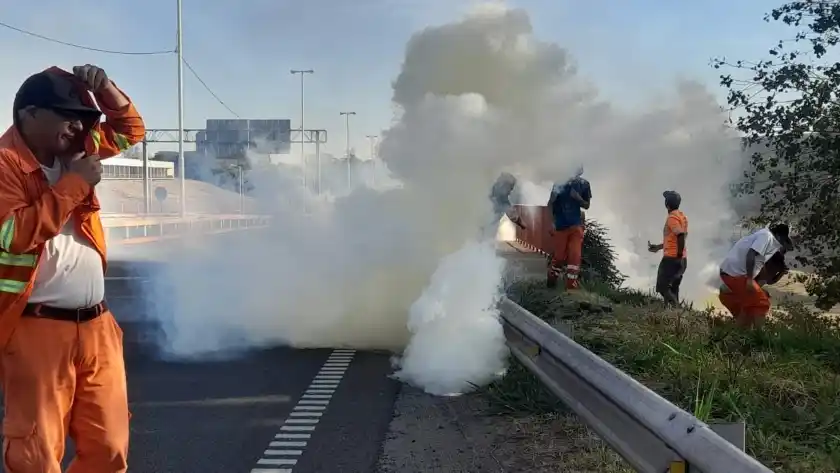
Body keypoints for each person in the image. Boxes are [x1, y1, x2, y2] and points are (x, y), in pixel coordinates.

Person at [0, 65, 145, 473]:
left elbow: (131, 131)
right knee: (36, 455)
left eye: (84, 117)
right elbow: (13, 235)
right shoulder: (5, 164)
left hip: (98, 326)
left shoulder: (79, 144)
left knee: (110, 447)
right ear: (29, 114)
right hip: (36, 329)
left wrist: (106, 89)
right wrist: (76, 183)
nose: (78, 126)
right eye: (68, 115)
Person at [718, 223, 794, 328]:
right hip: (737, 275)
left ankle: (738, 334)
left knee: (748, 312)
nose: (781, 247)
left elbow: (768, 280)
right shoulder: (766, 237)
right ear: (778, 236)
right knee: (762, 303)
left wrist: (780, 272)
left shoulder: (766, 241)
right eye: (783, 241)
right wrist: (749, 279)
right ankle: (760, 336)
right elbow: (751, 254)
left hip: (733, 276)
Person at [547, 165, 591, 289]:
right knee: (559, 258)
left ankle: (571, 285)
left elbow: (587, 205)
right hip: (560, 226)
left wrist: (578, 198)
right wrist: (551, 222)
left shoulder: (584, 184)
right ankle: (552, 278)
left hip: (576, 226)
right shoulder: (559, 183)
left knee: (575, 256)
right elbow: (550, 204)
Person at [647, 191, 688, 306]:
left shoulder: (672, 218)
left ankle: (676, 308)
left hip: (672, 259)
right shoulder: (682, 216)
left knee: (662, 287)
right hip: (682, 259)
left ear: (667, 204)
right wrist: (658, 247)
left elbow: (680, 235)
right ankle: (670, 311)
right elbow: (675, 239)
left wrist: (678, 255)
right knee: (673, 288)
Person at [485, 172, 526, 238]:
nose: (510, 190)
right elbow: (511, 213)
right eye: (510, 187)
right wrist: (522, 226)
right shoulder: (501, 201)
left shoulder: (496, 195)